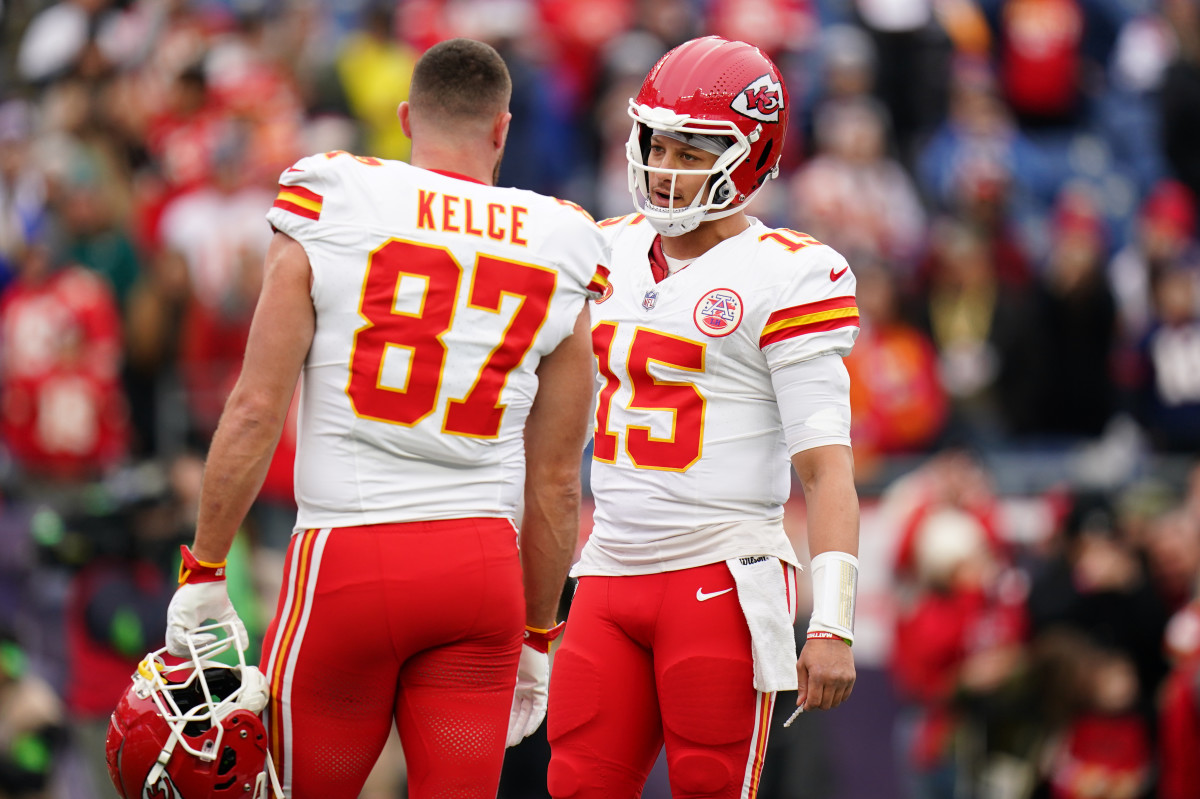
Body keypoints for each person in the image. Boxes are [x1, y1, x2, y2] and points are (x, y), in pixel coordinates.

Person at [161, 38, 608, 799]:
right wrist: (539, 631)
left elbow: (254, 407)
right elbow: (559, 479)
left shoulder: (333, 194)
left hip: (348, 557)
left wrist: (205, 566)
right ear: (502, 130)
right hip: (481, 573)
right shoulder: (562, 237)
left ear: (405, 119)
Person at [547, 36, 861, 798]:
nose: (666, 165)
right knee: (578, 784)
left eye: (693, 150)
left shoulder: (789, 273)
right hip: (609, 569)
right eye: (656, 141)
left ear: (751, 155)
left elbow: (825, 469)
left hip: (721, 575)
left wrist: (835, 620)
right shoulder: (601, 248)